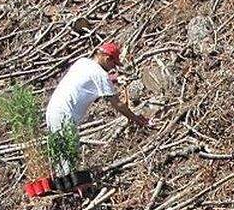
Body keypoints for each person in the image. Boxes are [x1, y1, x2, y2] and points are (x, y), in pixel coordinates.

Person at [44, 42, 155, 174]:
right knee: (69, 153)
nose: (113, 67)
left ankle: (63, 182)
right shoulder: (100, 75)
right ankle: (72, 187)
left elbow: (86, 80)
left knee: (60, 152)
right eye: (113, 64)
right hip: (65, 114)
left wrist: (113, 79)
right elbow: (117, 104)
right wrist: (137, 119)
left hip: (53, 109)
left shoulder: (82, 62)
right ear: (107, 59)